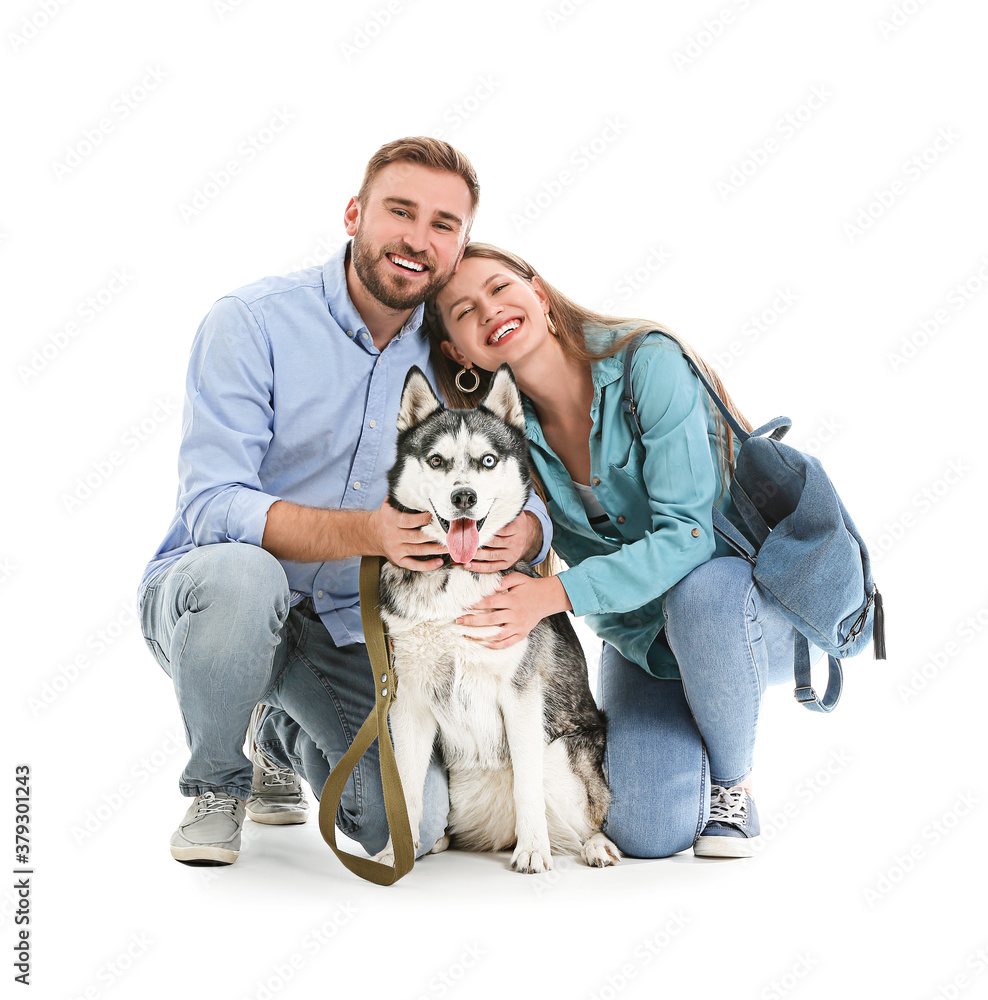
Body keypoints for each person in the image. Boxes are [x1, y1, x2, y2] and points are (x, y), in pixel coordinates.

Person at [137, 140, 552, 866]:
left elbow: (513, 474)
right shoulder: (252, 322)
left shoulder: (455, 358)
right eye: (400, 211)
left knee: (406, 828)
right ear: (355, 214)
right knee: (245, 578)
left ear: (457, 248)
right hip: (216, 602)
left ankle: (275, 733)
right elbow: (212, 505)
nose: (418, 240)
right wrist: (367, 532)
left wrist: (524, 531)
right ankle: (217, 782)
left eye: (443, 225)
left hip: (346, 631)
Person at [426, 242, 824, 859]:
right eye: (464, 312)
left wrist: (553, 592)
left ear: (536, 288)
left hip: (740, 621)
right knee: (644, 831)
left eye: (501, 287)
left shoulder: (646, 362)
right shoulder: (501, 434)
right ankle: (705, 715)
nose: (490, 311)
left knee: (703, 593)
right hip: (646, 643)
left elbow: (689, 538)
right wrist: (529, 535)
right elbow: (510, 514)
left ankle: (732, 788)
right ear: (459, 352)